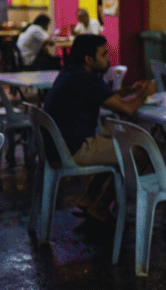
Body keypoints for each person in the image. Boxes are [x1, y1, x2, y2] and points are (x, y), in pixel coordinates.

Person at [44, 34, 156, 222]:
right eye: (103, 54)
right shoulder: (88, 79)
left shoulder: (70, 72)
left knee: (112, 141)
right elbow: (127, 109)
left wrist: (130, 91)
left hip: (55, 147)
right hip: (73, 150)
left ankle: (88, 198)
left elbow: (104, 96)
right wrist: (144, 94)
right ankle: (101, 205)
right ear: (89, 59)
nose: (108, 59)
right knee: (141, 152)